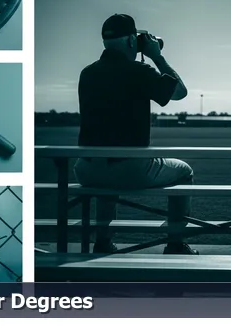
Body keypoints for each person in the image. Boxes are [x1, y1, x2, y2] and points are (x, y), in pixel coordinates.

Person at [73, 13, 198, 254]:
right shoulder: (140, 71)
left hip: (87, 168)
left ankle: (103, 242)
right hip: (129, 168)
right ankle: (175, 242)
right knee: (184, 172)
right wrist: (157, 56)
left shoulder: (87, 73)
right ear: (132, 41)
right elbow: (180, 92)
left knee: (106, 174)